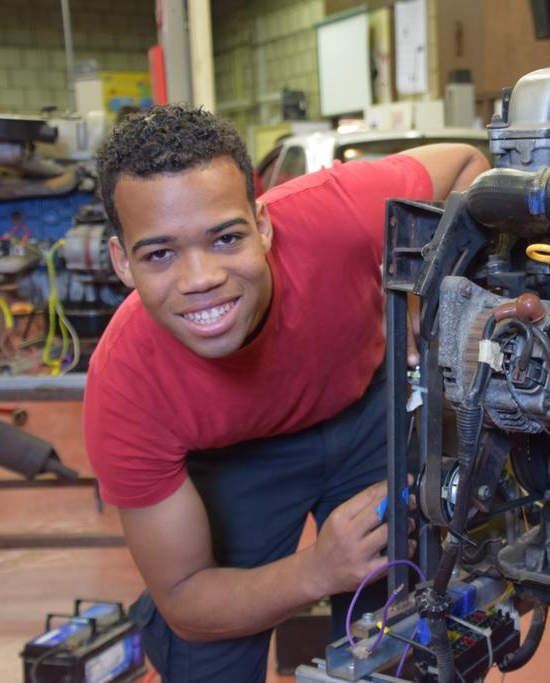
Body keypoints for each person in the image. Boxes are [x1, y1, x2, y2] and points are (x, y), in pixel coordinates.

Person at [83, 104, 489, 681]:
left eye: (225, 238)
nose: (201, 279)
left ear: (263, 223)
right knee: (208, 654)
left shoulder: (335, 212)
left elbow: (467, 165)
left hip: (363, 411)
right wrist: (317, 571)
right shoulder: (126, 384)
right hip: (234, 456)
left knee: (402, 623)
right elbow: (186, 599)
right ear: (123, 261)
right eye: (161, 254)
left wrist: (430, 292)